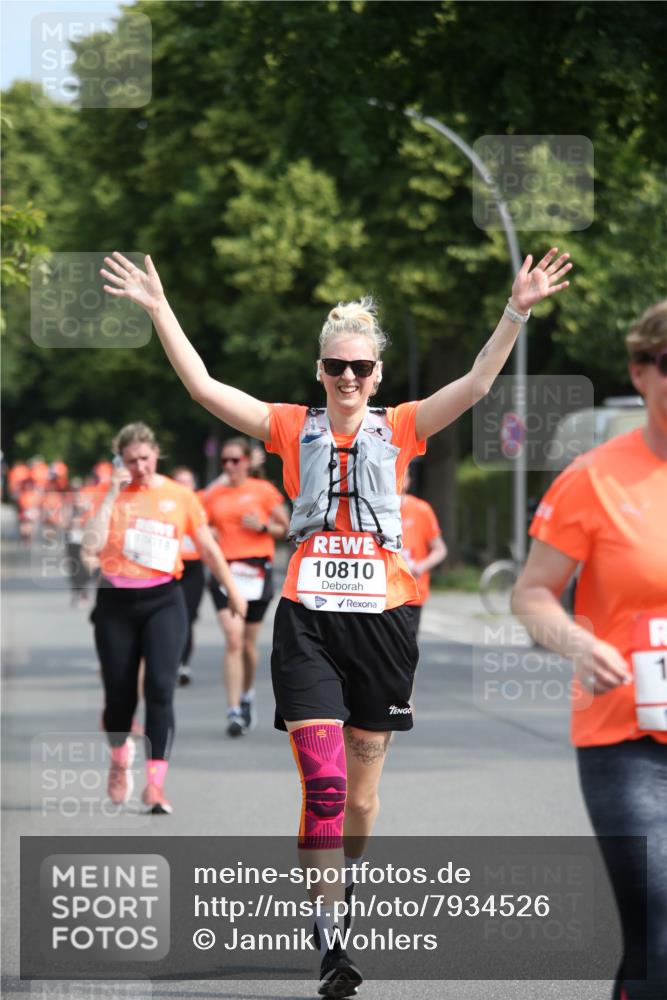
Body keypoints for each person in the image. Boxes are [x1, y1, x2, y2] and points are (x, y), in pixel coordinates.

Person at [101, 246, 571, 996]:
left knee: (359, 798)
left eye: (359, 367)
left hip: (383, 625)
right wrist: (161, 311)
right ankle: (331, 939)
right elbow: (203, 386)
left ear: (376, 376)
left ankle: (340, 883)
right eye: (334, 367)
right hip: (309, 624)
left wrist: (515, 309)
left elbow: (478, 382)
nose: (347, 377)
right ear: (319, 372)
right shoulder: (291, 427)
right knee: (323, 785)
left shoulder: (404, 425)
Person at [512, 300, 667, 1000]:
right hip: (627, 738)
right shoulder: (594, 478)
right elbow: (532, 594)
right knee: (659, 924)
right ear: (640, 372)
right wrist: (578, 641)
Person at [83, 422, 247, 815]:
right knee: (120, 695)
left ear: (156, 453)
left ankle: (155, 785)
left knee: (160, 687)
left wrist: (232, 588)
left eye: (145, 458)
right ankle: (120, 758)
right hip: (116, 602)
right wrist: (112, 493)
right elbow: (90, 547)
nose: (139, 466)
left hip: (163, 600)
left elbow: (207, 547)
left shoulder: (179, 495)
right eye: (131, 460)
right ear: (119, 461)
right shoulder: (110, 494)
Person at [203, 438, 289, 736]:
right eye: (224, 461)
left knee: (248, 646)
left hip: (256, 571)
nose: (229, 466)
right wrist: (209, 531)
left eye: (235, 460)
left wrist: (263, 527)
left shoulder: (263, 491)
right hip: (225, 571)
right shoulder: (215, 495)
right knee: (233, 639)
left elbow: (289, 528)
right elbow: (198, 524)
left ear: (247, 462)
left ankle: (247, 694)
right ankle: (233, 711)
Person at [400, 463, 447, 634]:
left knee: (408, 646)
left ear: (408, 481)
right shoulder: (371, 510)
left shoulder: (421, 509)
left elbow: (440, 549)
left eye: (402, 476)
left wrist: (421, 566)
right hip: (382, 595)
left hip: (412, 593)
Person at [171, 466, 207, 686]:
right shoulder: (165, 503)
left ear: (194, 485)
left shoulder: (202, 502)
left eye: (187, 482)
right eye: (179, 482)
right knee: (171, 616)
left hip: (194, 568)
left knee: (188, 616)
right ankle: (170, 661)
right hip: (170, 568)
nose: (183, 486)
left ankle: (182, 663)